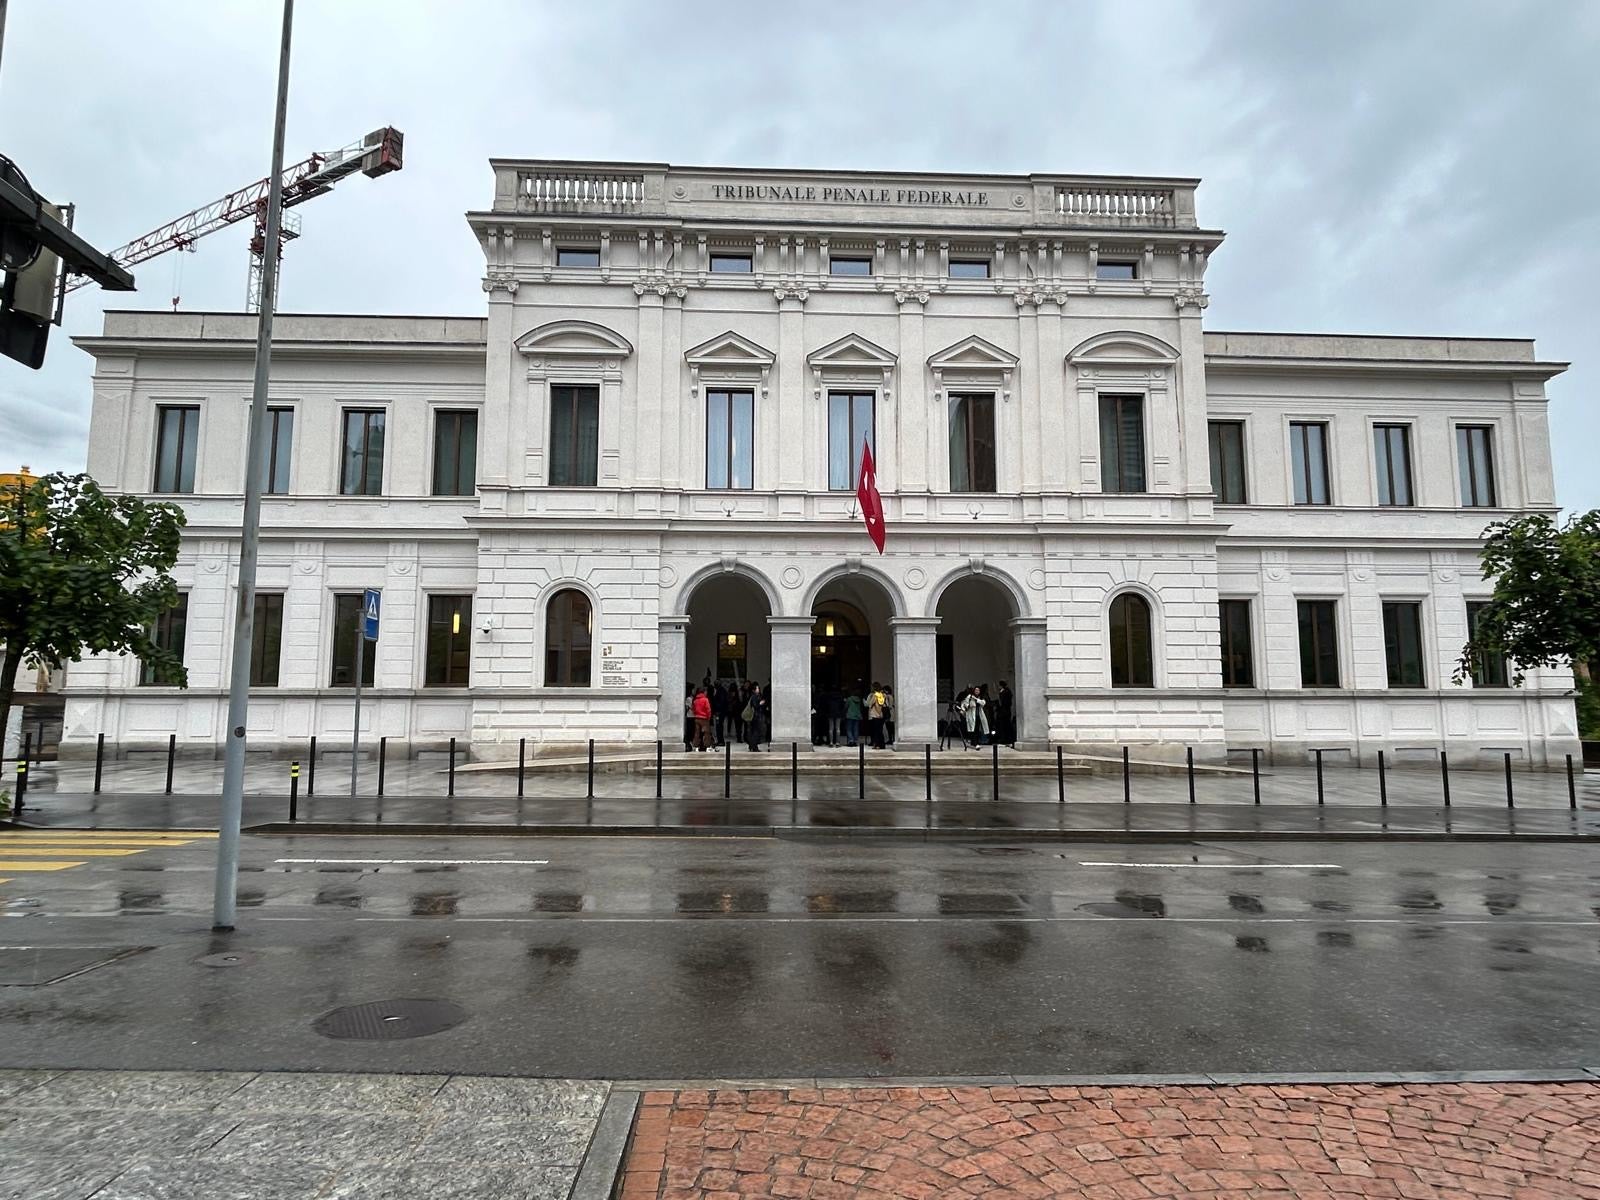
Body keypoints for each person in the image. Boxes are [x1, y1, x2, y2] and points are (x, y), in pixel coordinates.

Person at [960, 685, 988, 749]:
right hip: (971, 716)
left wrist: (976, 699)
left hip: (978, 716)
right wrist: (969, 705)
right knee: (973, 730)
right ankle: (975, 743)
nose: (977, 691)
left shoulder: (981, 697)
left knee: (977, 730)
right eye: (976, 690)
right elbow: (965, 704)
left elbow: (983, 703)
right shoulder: (969, 696)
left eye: (978, 690)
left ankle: (974, 742)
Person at [744, 683, 768, 751]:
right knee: (756, 732)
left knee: (755, 731)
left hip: (756, 716)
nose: (758, 690)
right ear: (754, 690)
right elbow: (756, 706)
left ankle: (752, 746)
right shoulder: (754, 697)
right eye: (757, 688)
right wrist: (760, 703)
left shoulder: (757, 696)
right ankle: (754, 746)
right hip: (755, 717)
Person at [866, 681, 886, 749]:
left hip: (875, 714)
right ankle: (882, 744)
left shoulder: (875, 695)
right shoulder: (883, 695)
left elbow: (870, 704)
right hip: (881, 714)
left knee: (875, 731)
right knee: (880, 730)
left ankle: (876, 744)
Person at [692, 686, 713, 751]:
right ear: (704, 692)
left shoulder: (695, 700)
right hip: (704, 718)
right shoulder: (705, 700)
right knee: (706, 733)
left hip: (697, 718)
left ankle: (696, 747)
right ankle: (707, 746)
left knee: (697, 733)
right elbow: (708, 709)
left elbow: (693, 709)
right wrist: (709, 717)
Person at [996, 680, 1016, 747]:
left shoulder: (1004, 692)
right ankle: (1008, 739)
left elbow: (1001, 703)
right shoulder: (1008, 691)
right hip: (1006, 711)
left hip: (1004, 712)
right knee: (1006, 726)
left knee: (1004, 726)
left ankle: (1005, 739)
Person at [683, 684, 696, 752]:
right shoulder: (689, 699)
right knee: (690, 730)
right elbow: (689, 707)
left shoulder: (692, 698)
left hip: (692, 716)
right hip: (690, 716)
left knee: (692, 730)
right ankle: (689, 743)